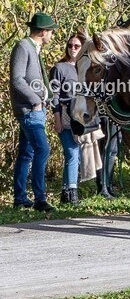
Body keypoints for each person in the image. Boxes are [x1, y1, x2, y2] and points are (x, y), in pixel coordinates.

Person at [9, 12, 57, 211]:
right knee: (42, 149)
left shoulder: (34, 48)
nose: (52, 36)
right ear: (43, 32)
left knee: (26, 153)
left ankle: (20, 198)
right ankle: (40, 199)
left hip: (37, 109)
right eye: (51, 32)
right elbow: (17, 79)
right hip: (29, 109)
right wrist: (36, 101)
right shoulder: (23, 47)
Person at [49, 33, 84, 206]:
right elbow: (54, 95)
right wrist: (57, 119)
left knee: (76, 157)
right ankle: (73, 192)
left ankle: (65, 194)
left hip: (82, 117)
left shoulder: (86, 67)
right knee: (72, 153)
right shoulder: (59, 68)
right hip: (64, 114)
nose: (73, 49)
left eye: (77, 46)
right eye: (70, 45)